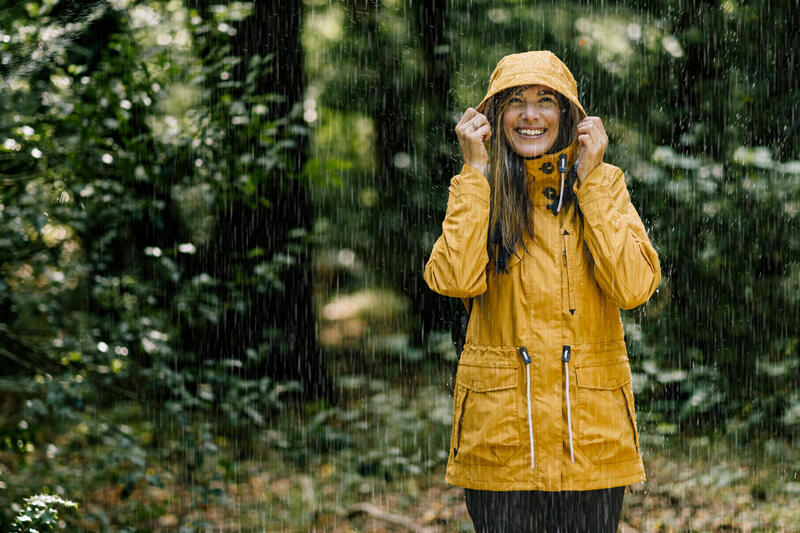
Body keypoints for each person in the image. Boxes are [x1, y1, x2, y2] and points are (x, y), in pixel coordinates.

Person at [423, 51, 661, 532]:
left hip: (589, 440)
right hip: (501, 439)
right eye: (516, 102)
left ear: (569, 116)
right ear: (494, 118)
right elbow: (453, 279)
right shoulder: (480, 191)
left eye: (545, 101)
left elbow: (634, 287)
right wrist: (473, 173)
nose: (531, 115)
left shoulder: (604, 186)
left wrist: (590, 182)